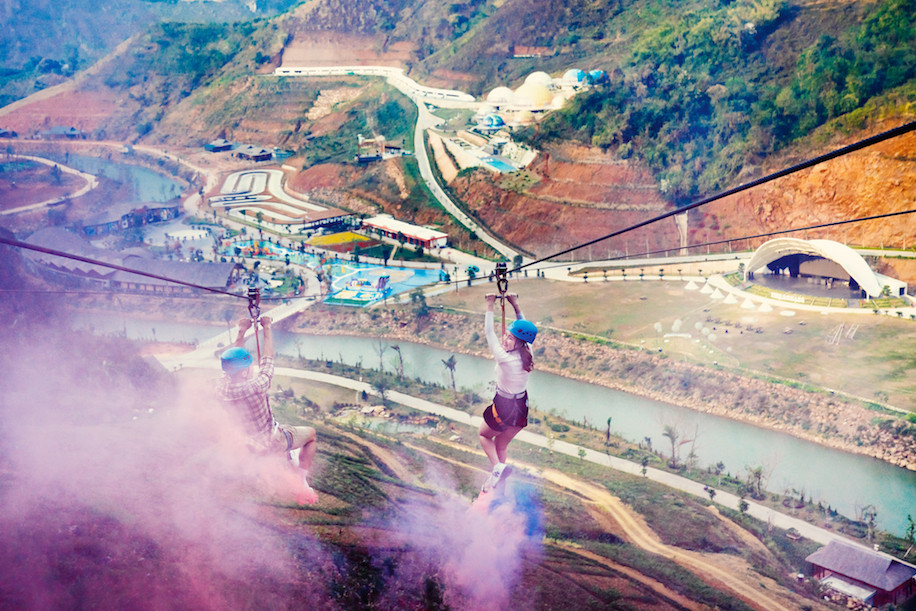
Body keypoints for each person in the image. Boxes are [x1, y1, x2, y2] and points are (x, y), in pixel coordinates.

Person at [217, 316, 319, 505]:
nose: (251, 369)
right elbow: (268, 359)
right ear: (244, 371)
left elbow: (234, 356)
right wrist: (268, 327)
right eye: (248, 367)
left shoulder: (222, 386)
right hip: (271, 439)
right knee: (311, 435)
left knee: (285, 431)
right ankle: (301, 479)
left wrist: (241, 330)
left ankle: (291, 455)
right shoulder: (256, 386)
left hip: (249, 444)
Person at [478, 293, 537, 493]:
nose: (505, 338)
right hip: (521, 407)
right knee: (501, 445)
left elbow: (489, 333)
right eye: (507, 335)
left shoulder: (504, 358)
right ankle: (500, 484)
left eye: (510, 338)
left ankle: (496, 469)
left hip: (503, 406)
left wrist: (490, 304)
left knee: (484, 436)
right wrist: (515, 304)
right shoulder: (528, 352)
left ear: (519, 342)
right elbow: (525, 328)